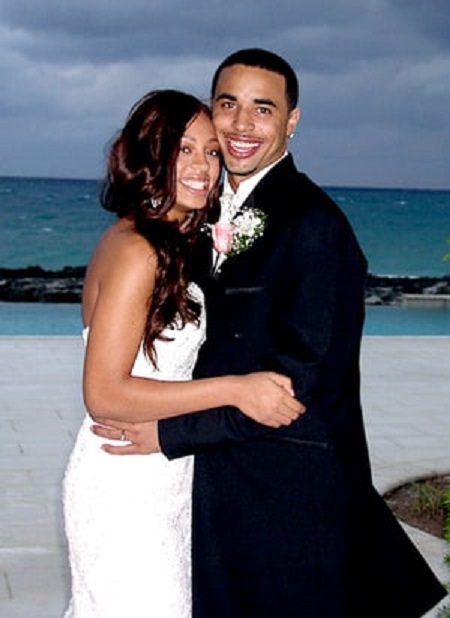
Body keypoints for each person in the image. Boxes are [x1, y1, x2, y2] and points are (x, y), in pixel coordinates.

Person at [93, 51, 447, 617]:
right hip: (217, 490)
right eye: (228, 104)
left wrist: (171, 433)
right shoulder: (196, 214)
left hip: (287, 501)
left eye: (263, 109)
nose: (241, 124)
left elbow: (299, 385)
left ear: (291, 121)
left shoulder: (315, 225)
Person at [62, 88, 304, 618]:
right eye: (184, 149)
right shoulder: (136, 251)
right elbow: (104, 393)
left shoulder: (168, 243)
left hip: (164, 470)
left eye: (212, 151)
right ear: (150, 156)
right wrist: (237, 390)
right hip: (125, 481)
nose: (203, 166)